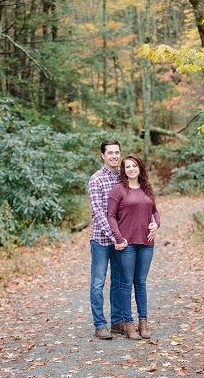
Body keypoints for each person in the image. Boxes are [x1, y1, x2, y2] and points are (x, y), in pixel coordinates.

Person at [107, 153, 161, 340]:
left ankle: (143, 323)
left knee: (141, 282)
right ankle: (128, 324)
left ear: (140, 168)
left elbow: (155, 212)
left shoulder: (147, 189)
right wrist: (118, 237)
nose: (131, 169)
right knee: (125, 283)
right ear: (124, 170)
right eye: (127, 166)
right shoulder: (118, 190)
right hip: (127, 243)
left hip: (146, 243)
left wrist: (156, 224)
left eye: (134, 165)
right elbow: (111, 216)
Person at [87, 140, 127, 340]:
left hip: (121, 241)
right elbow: (99, 213)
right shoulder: (96, 180)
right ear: (102, 155)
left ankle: (118, 321)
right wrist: (115, 236)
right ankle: (100, 325)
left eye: (117, 152)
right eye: (110, 152)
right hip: (102, 240)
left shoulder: (124, 177)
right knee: (98, 282)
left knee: (119, 282)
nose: (114, 156)